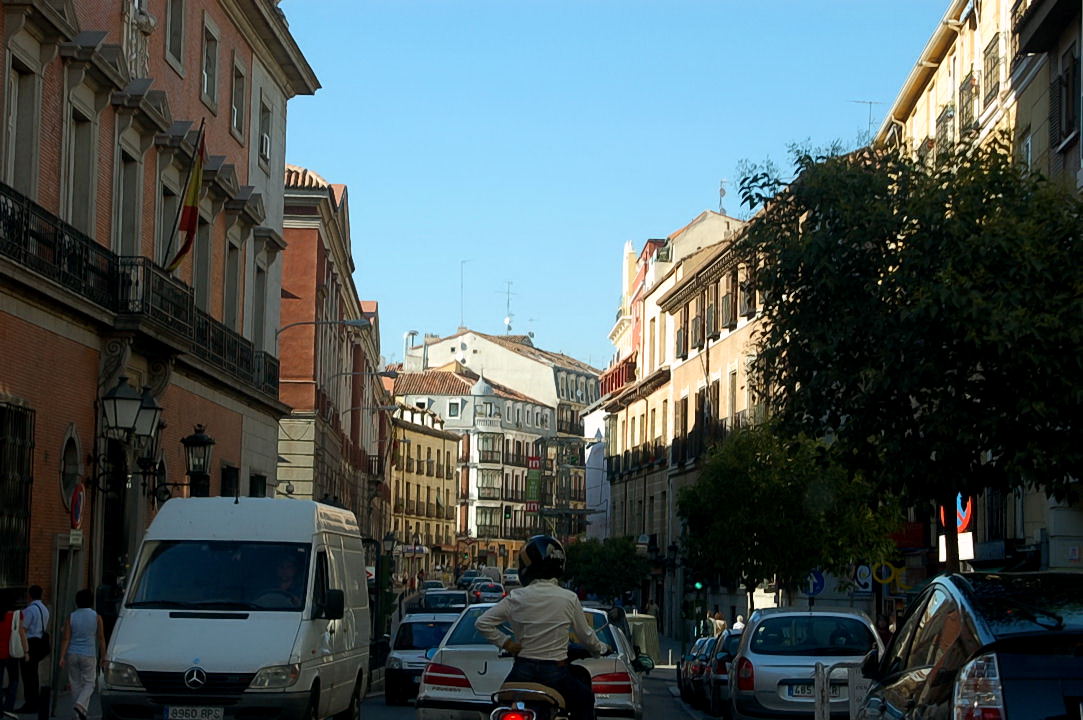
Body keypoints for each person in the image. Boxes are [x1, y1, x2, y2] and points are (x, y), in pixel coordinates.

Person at [476, 535, 609, 720]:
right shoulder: (568, 598)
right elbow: (586, 636)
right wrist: (600, 648)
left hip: (521, 670)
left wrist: (507, 643)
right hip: (555, 674)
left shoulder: (516, 597)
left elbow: (482, 623)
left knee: (500, 703)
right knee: (585, 699)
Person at [58, 589, 107, 720]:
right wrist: (104, 656)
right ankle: (80, 706)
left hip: (72, 653)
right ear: (91, 601)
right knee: (90, 683)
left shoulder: (71, 616)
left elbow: (66, 638)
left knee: (75, 684)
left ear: (76, 601)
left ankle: (79, 714)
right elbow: (101, 638)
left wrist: (62, 656)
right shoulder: (96, 617)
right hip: (89, 653)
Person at [16, 585, 49, 714]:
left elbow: (22, 628)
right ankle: (34, 701)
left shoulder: (29, 610)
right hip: (40, 642)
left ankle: (30, 702)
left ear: (30, 595)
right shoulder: (44, 609)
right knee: (33, 673)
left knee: (28, 674)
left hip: (30, 643)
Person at [1, 592, 29, 715]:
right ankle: (9, 706)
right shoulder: (17, 615)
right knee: (14, 679)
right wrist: (26, 651)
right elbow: (22, 633)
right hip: (11, 652)